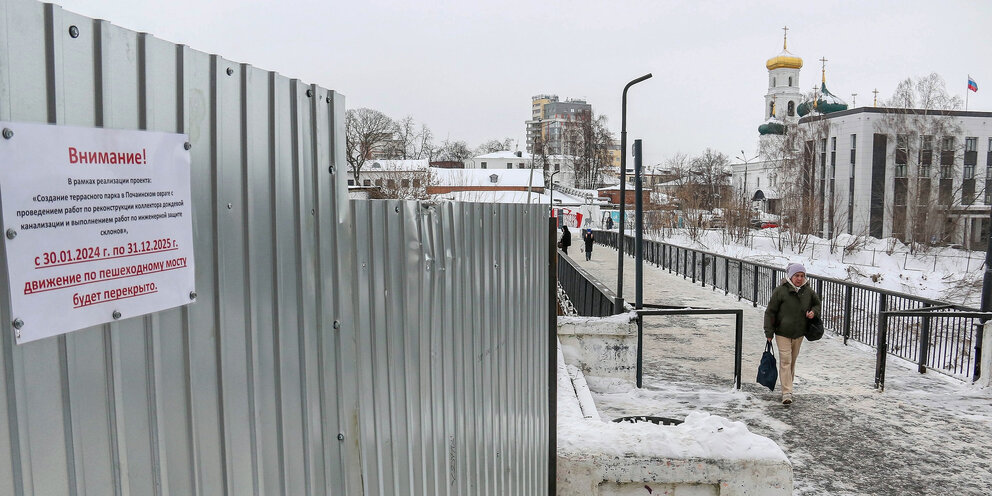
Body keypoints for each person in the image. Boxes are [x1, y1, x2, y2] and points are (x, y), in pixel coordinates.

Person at [763, 262, 821, 405]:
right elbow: (770, 312)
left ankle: (787, 387)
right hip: (782, 332)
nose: (799, 279)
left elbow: (817, 304)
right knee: (785, 361)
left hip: (799, 333)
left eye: (802, 276)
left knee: (792, 362)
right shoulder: (780, 291)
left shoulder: (808, 292)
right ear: (790, 276)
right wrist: (769, 332)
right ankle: (786, 392)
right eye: (797, 275)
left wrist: (814, 312)